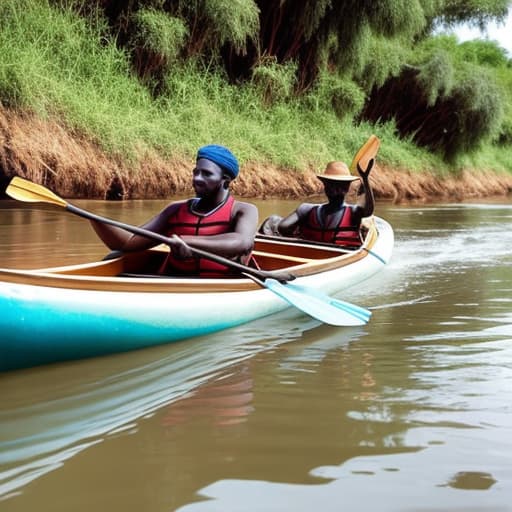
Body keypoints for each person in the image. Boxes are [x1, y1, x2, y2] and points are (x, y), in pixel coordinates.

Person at [91, 145, 258, 276]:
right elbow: (128, 243)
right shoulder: (176, 210)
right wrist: (93, 217)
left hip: (220, 288)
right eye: (196, 172)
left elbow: (241, 242)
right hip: (173, 283)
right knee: (116, 255)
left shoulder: (244, 211)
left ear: (225, 181)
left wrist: (187, 242)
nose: (197, 178)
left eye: (206, 174)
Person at [260, 159, 374, 247]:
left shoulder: (353, 213)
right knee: (271, 221)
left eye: (337, 185)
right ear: (347, 188)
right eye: (332, 184)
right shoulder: (306, 210)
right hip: (315, 258)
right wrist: (364, 179)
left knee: (272, 221)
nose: (335, 189)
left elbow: (367, 210)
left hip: (333, 258)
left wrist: (365, 179)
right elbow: (282, 227)